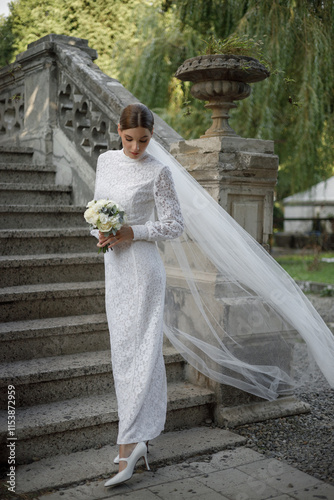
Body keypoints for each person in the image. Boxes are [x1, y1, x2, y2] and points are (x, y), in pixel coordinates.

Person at [91, 103, 184, 487]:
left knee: (142, 353)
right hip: (115, 268)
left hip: (144, 270)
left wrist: (134, 231)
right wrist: (101, 233)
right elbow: (96, 209)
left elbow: (174, 224)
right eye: (129, 139)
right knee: (123, 354)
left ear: (151, 137)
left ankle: (128, 446)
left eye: (143, 140)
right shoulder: (106, 162)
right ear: (118, 131)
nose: (135, 148)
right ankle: (136, 438)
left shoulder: (158, 172)